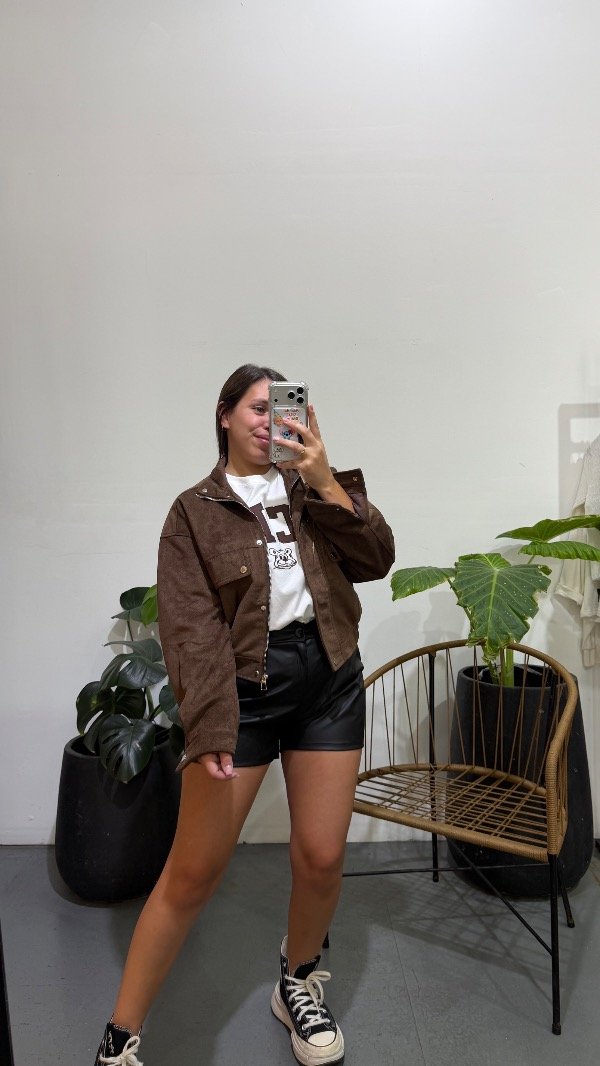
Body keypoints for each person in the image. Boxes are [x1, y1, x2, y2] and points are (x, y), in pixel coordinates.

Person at [94, 364, 395, 1066]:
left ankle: (297, 982)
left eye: (283, 410)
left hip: (329, 679)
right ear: (225, 414)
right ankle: (120, 1037)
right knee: (193, 872)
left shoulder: (312, 489)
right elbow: (189, 630)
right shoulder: (194, 512)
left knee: (321, 856)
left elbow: (377, 558)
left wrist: (325, 482)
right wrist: (208, 726)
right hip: (243, 695)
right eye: (257, 408)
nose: (270, 422)